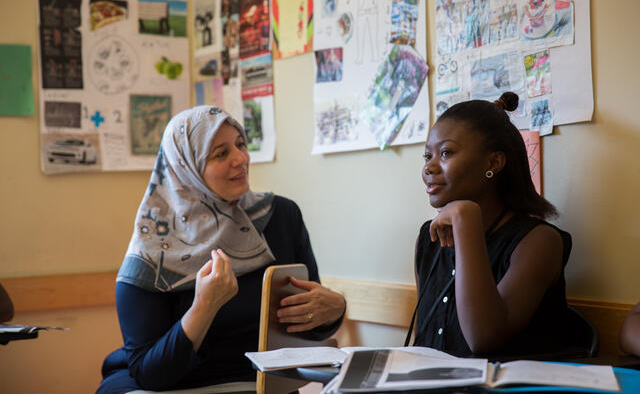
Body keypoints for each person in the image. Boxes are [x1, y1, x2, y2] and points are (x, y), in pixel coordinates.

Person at [97, 106, 346, 393]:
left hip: (257, 381)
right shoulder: (152, 251)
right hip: (170, 385)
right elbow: (150, 374)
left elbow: (307, 323)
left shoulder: (280, 217)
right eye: (220, 153)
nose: (240, 159)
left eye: (240, 144)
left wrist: (335, 311)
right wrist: (205, 305)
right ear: (186, 169)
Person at [407, 92, 574, 358]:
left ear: (493, 163)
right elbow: (424, 344)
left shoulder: (539, 241)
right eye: (428, 156)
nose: (430, 167)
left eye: (446, 153)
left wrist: (465, 218)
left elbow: (484, 339)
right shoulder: (428, 238)